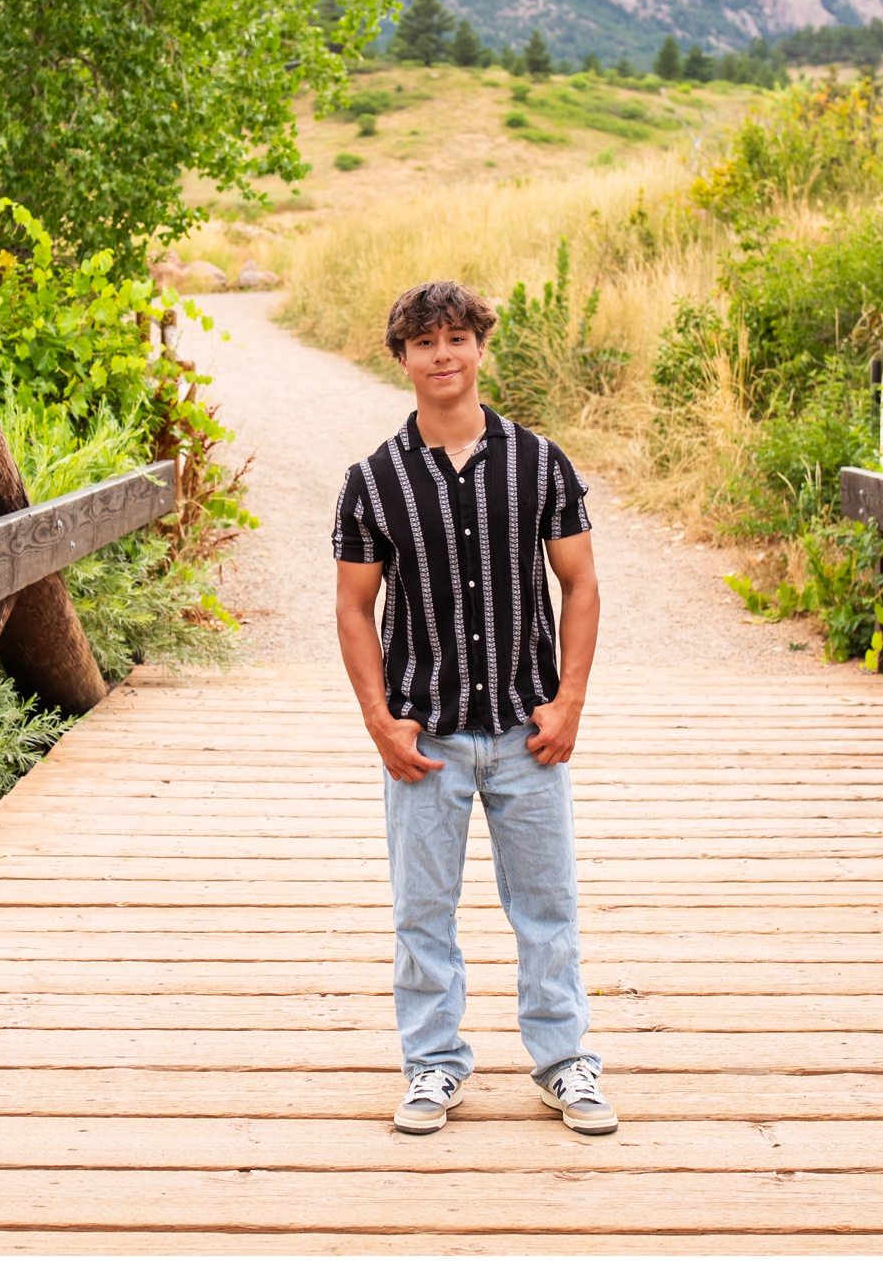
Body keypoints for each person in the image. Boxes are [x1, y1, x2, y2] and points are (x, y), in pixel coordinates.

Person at [331, 280, 614, 1137]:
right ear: (403, 358)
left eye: (458, 338)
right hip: (427, 738)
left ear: (481, 348)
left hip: (529, 735)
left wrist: (568, 703)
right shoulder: (373, 482)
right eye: (425, 342)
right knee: (422, 914)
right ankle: (431, 1067)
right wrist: (380, 722)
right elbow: (353, 608)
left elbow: (580, 583)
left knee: (548, 910)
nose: (443, 355)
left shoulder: (540, 463)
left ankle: (565, 1064)